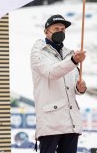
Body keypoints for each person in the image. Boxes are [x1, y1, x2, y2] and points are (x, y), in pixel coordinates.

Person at [30, 14, 87, 153]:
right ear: (46, 31)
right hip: (50, 123)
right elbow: (51, 72)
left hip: (71, 122)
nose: (60, 32)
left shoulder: (69, 54)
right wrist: (73, 61)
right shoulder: (38, 52)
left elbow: (74, 85)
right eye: (56, 28)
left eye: (62, 29)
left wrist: (80, 88)